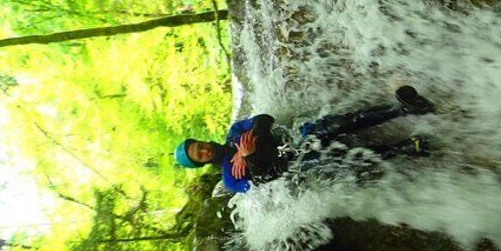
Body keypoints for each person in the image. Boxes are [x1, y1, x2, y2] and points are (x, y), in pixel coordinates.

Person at [174, 86, 435, 193]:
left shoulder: (234, 134)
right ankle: (404, 148)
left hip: (296, 138)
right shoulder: (230, 178)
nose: (204, 150)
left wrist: (252, 137)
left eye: (199, 146)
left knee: (340, 123)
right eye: (199, 155)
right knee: (342, 159)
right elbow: (266, 178)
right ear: (200, 164)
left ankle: (402, 109)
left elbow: (265, 118)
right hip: (296, 165)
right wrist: (249, 156)